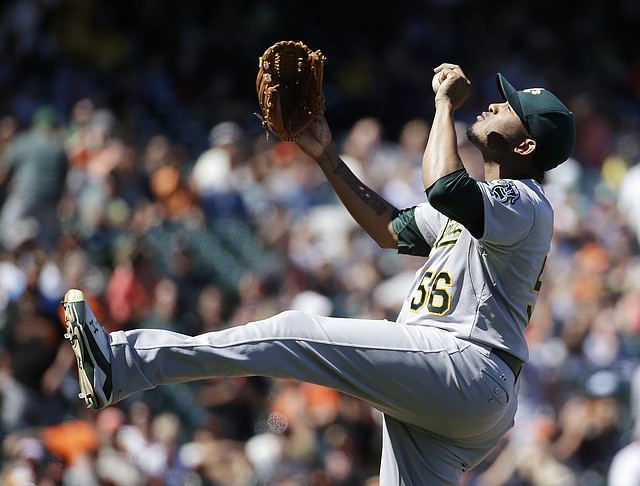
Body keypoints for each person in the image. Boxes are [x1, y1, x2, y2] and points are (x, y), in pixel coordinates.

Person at [62, 63, 576, 485]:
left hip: (465, 364)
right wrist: (328, 156)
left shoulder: (524, 201)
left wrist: (443, 105)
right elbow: (392, 230)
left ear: (525, 147)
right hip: (463, 390)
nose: (495, 104)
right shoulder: (491, 205)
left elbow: (443, 185)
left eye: (511, 109)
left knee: (296, 331)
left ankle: (126, 364)